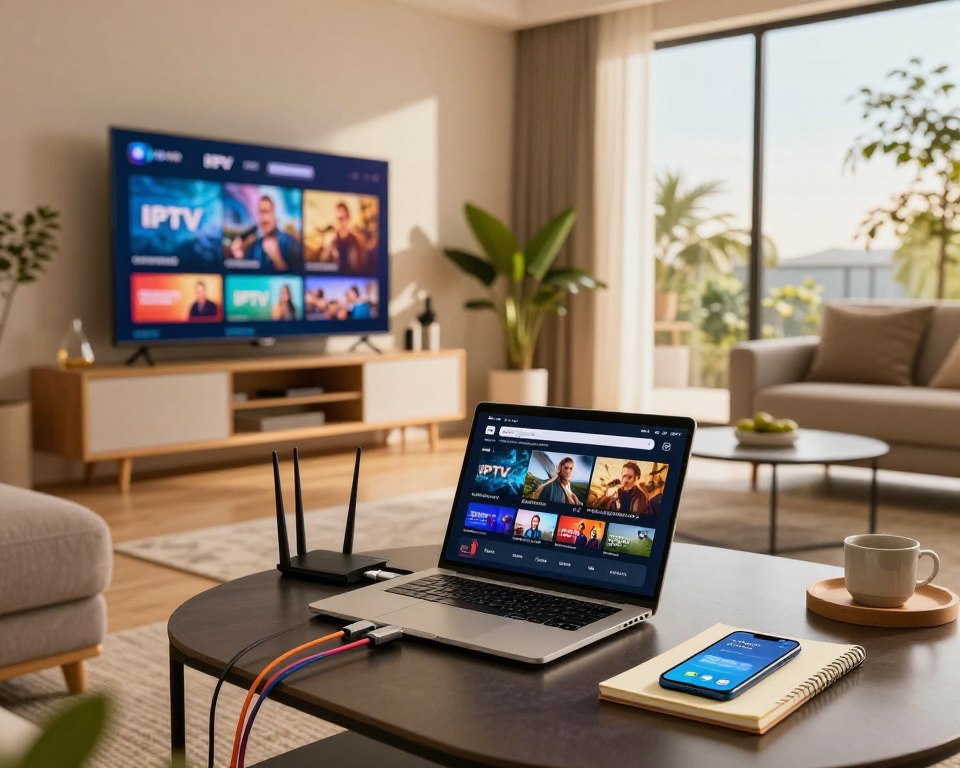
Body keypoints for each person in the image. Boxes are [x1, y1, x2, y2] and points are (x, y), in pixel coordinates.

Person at [230, 194, 300, 271]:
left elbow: (296, 274)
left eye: (266, 212)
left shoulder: (288, 242)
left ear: (274, 213)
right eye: (260, 213)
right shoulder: (254, 245)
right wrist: (239, 260)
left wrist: (277, 259)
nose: (263, 218)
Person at [321, 201, 369, 273]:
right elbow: (321, 263)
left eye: (343, 218)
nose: (340, 222)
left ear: (348, 218)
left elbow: (363, 263)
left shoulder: (355, 240)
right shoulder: (331, 239)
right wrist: (330, 245)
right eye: (338, 219)